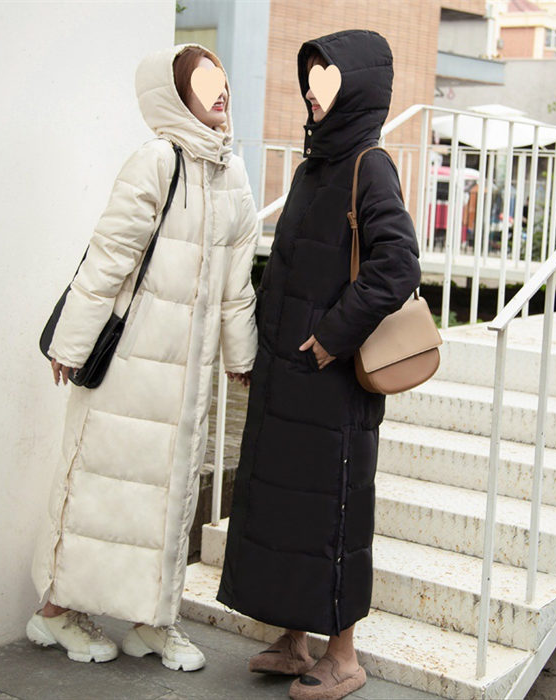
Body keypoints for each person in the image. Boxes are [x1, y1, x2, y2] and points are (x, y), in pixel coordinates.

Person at [27, 43, 258, 672]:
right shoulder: (156, 161)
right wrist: (72, 343)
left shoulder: (233, 174)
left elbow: (238, 282)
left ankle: (152, 620)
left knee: (166, 500)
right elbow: (109, 256)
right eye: (202, 81)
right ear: (174, 95)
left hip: (187, 378)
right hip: (130, 365)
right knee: (100, 488)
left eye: (221, 78)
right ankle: (54, 612)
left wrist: (240, 357)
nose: (219, 90)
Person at [217, 30, 421, 700]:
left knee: (333, 514)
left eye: (326, 79)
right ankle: (294, 639)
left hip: (333, 385)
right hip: (290, 377)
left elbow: (397, 265)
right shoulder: (314, 167)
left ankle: (344, 655)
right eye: (309, 79)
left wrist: (333, 335)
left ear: (357, 86)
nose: (312, 91)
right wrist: (260, 348)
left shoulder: (370, 164)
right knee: (286, 511)